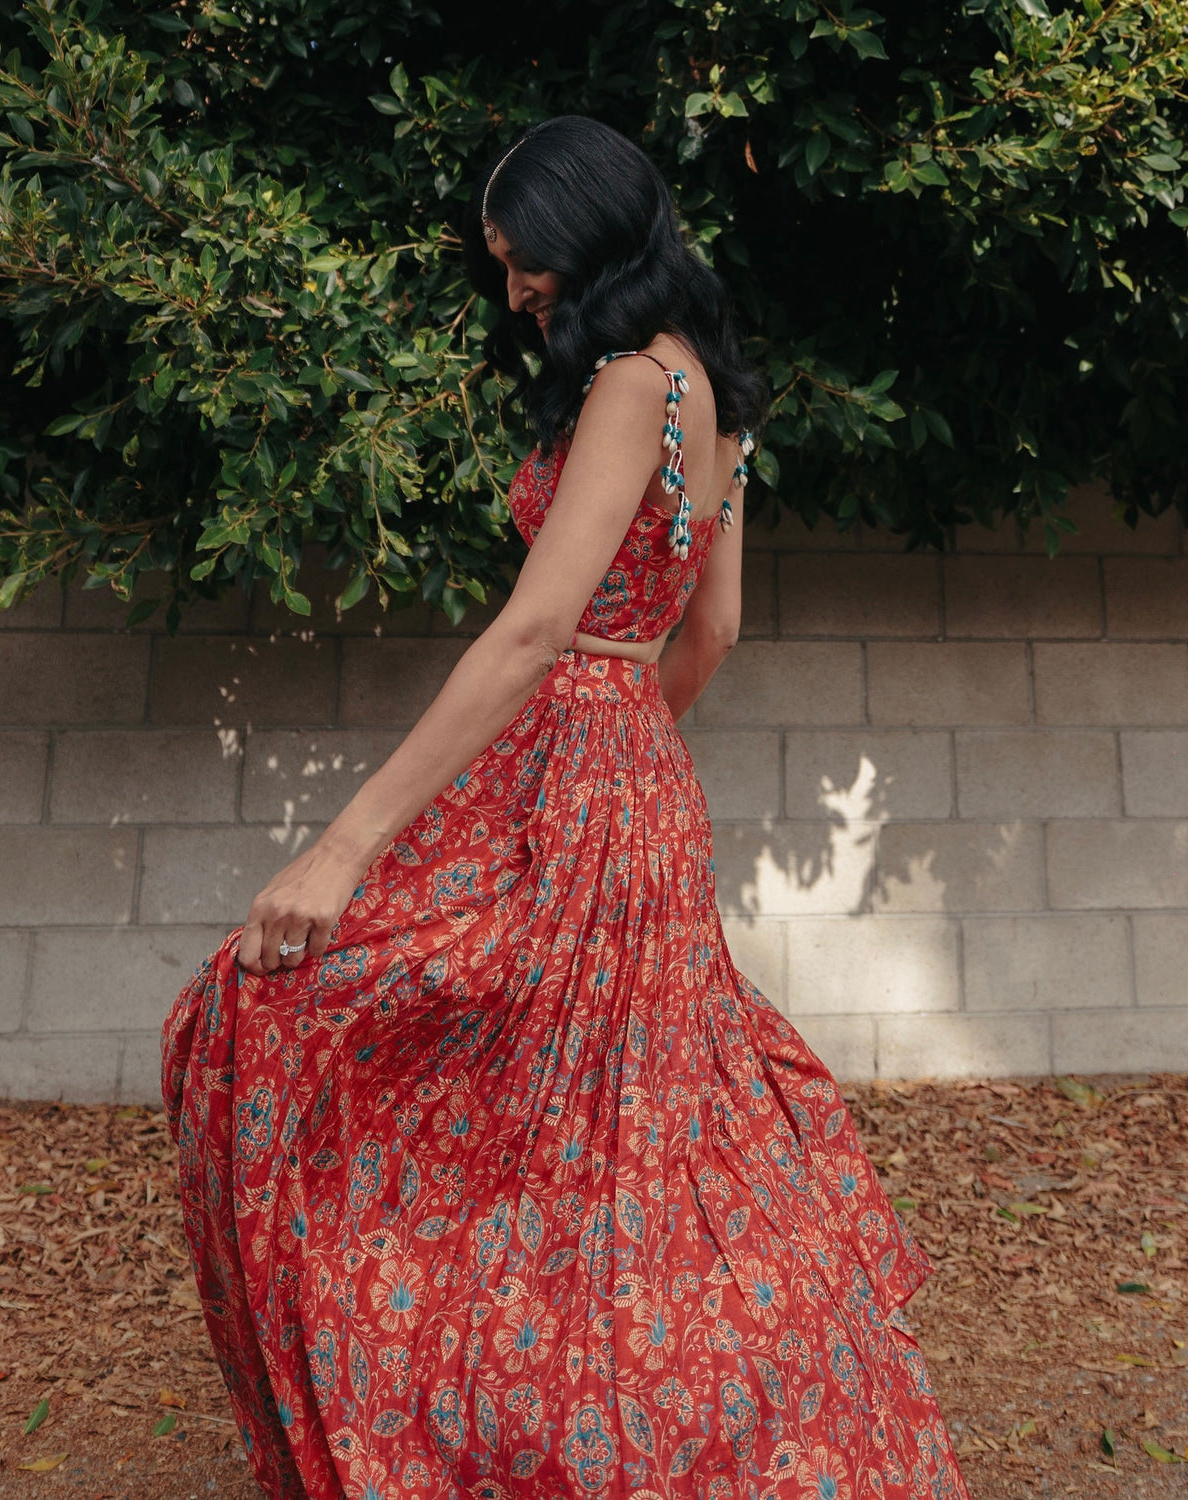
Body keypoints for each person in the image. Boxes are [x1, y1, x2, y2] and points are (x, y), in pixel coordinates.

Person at [163, 115, 970, 1500]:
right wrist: (630, 771)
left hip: (577, 778)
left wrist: (342, 847)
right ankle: (665, 1430)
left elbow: (535, 633)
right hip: (641, 789)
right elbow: (708, 635)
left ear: (584, 238)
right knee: (623, 1150)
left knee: (264, 1011)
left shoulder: (621, 388)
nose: (514, 289)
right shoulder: (715, 392)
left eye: (521, 260)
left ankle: (490, 1423)